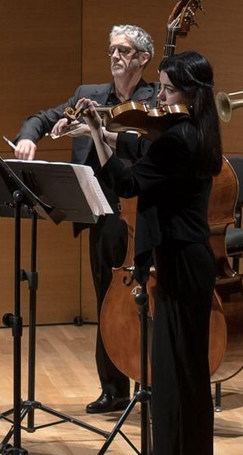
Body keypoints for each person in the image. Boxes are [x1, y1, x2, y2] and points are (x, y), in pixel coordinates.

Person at [81, 50, 223, 455]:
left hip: (182, 262)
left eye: (166, 89)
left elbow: (126, 184)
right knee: (167, 372)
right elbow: (141, 154)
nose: (158, 96)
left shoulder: (178, 141)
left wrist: (99, 138)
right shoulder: (195, 133)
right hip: (180, 257)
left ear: (189, 93)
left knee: (186, 376)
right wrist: (107, 134)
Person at [14, 24, 157, 413]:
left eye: (124, 51)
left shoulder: (155, 99)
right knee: (108, 298)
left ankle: (156, 380)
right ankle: (113, 389)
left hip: (146, 210)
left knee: (152, 300)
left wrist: (99, 128)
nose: (115, 56)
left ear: (143, 59)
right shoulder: (87, 96)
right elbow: (41, 117)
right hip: (104, 211)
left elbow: (151, 149)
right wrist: (30, 136)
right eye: (112, 49)